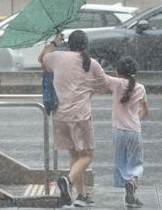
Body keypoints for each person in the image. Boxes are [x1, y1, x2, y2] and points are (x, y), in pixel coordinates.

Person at [38, 30, 108, 207]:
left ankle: (81, 195)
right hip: (80, 116)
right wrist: (89, 88)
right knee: (87, 155)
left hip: (60, 116)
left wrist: (54, 41)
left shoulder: (57, 57)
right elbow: (104, 84)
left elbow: (42, 58)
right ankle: (67, 181)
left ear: (69, 45)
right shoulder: (92, 64)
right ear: (86, 45)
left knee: (75, 155)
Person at [104, 58, 148, 208]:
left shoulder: (116, 84)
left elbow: (100, 77)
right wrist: (136, 120)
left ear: (118, 72)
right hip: (134, 131)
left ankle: (129, 193)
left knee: (121, 163)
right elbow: (145, 111)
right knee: (136, 164)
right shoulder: (141, 88)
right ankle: (132, 183)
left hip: (118, 131)